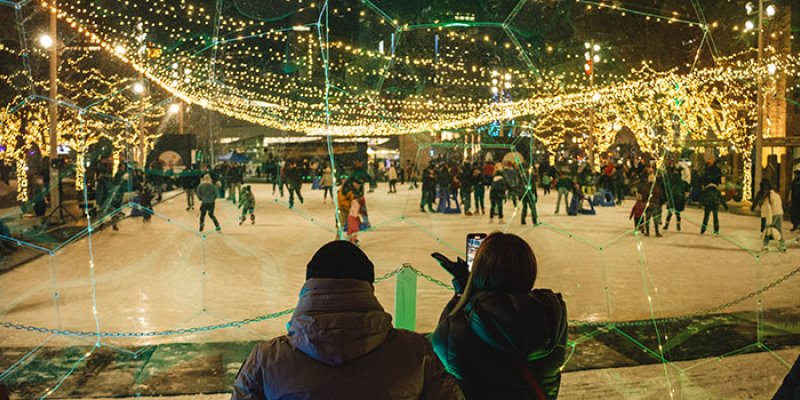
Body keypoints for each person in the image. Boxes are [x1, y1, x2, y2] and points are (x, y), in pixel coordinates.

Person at [231, 241, 465, 400]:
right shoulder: (415, 352)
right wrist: (465, 294)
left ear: (308, 288)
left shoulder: (267, 360)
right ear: (369, 288)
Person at [431, 232, 567, 400]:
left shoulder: (458, 328)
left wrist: (463, 293)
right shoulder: (551, 315)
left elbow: (440, 348)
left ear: (479, 271)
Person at [751, 180, 786, 251]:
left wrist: (753, 207)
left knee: (766, 230)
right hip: (779, 214)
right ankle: (782, 245)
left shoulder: (765, 195)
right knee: (778, 230)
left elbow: (766, 208)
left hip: (769, 215)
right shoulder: (775, 194)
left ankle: (765, 245)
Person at [663, 165, 688, 232]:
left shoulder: (673, 179)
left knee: (670, 213)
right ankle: (678, 225)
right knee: (677, 213)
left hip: (673, 198)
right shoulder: (682, 181)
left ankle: (666, 225)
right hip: (678, 199)